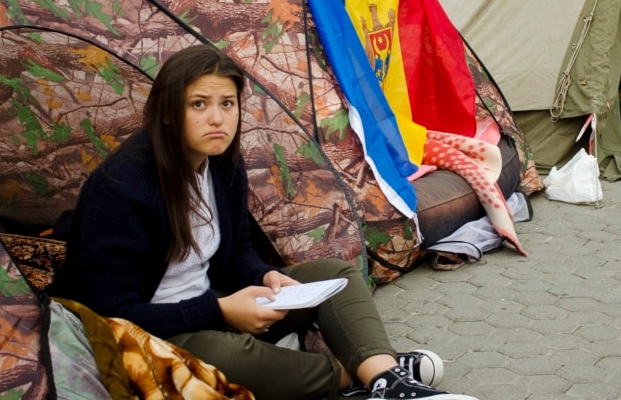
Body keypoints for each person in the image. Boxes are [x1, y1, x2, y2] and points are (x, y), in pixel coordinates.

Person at [46, 45, 477, 400]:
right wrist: (218, 310)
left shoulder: (220, 164)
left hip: (211, 302)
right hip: (155, 330)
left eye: (227, 104)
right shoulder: (123, 188)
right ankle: (357, 380)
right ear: (167, 112)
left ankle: (386, 380)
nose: (218, 118)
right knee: (225, 353)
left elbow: (234, 252)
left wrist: (268, 278)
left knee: (336, 275)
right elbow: (113, 314)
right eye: (199, 104)